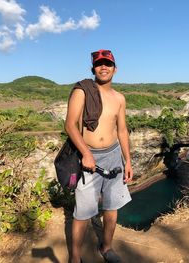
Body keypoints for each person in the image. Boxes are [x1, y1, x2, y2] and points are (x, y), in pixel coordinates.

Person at [65, 49, 133, 263]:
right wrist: (86, 153)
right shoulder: (83, 91)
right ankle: (75, 258)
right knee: (83, 212)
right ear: (93, 68)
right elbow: (70, 125)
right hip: (89, 156)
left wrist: (128, 160)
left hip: (113, 156)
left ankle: (106, 247)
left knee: (112, 207)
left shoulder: (119, 98)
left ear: (115, 68)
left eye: (108, 64)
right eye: (99, 64)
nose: (104, 67)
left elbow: (122, 130)